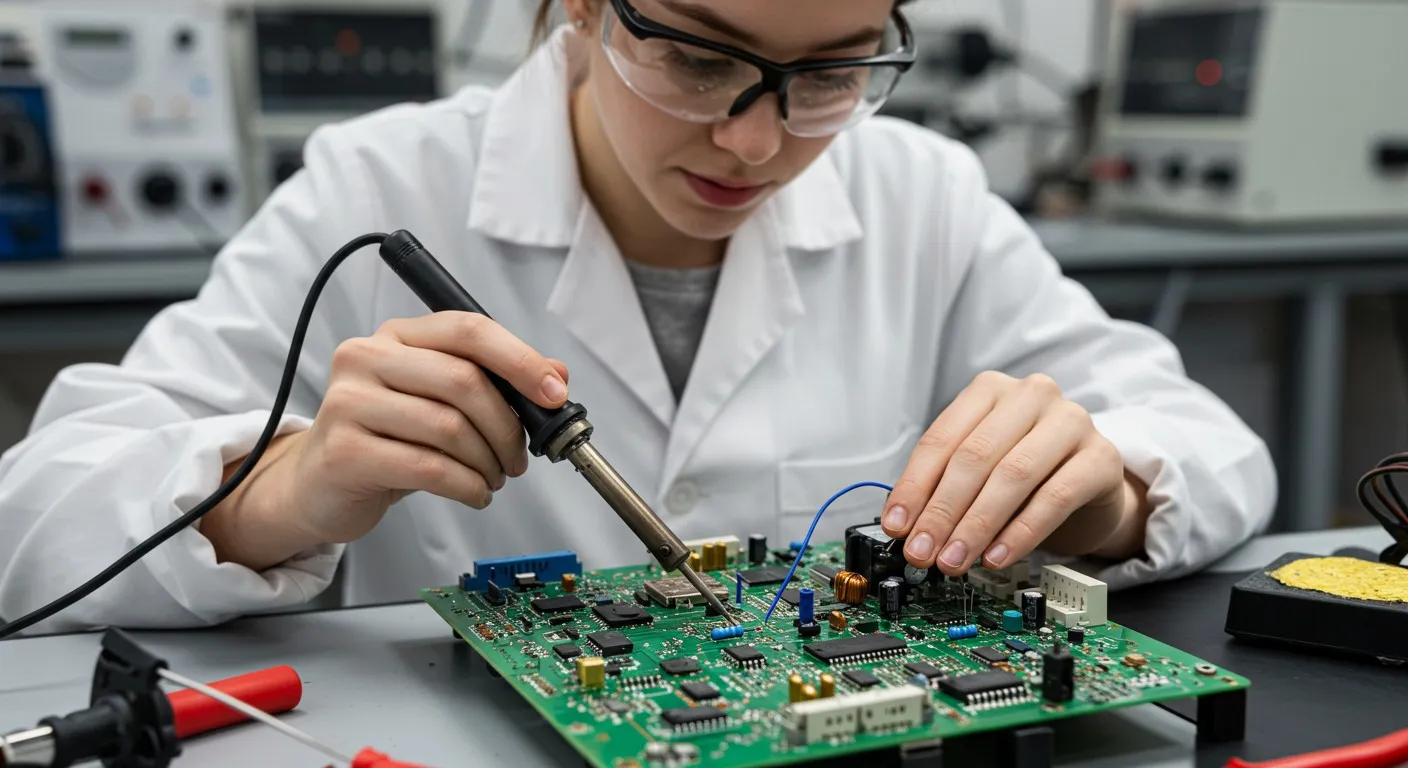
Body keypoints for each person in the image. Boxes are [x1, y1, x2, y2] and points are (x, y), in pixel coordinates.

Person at [0, 0, 1275, 633]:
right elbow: (35, 522)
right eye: (700, 58)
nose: (757, 139)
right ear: (578, 10)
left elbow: (1210, 444)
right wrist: (276, 494)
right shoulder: (379, 185)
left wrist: (1106, 485)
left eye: (828, 74)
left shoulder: (919, 192)